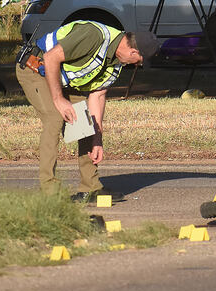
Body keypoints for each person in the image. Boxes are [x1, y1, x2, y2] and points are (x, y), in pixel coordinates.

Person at [16, 20, 159, 201]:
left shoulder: (117, 62)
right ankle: (49, 191)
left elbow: (97, 96)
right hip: (35, 68)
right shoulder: (94, 35)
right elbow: (51, 57)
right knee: (55, 118)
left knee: (85, 124)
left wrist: (97, 138)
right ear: (133, 52)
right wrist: (58, 99)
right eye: (139, 62)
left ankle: (90, 188)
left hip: (64, 79)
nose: (137, 66)